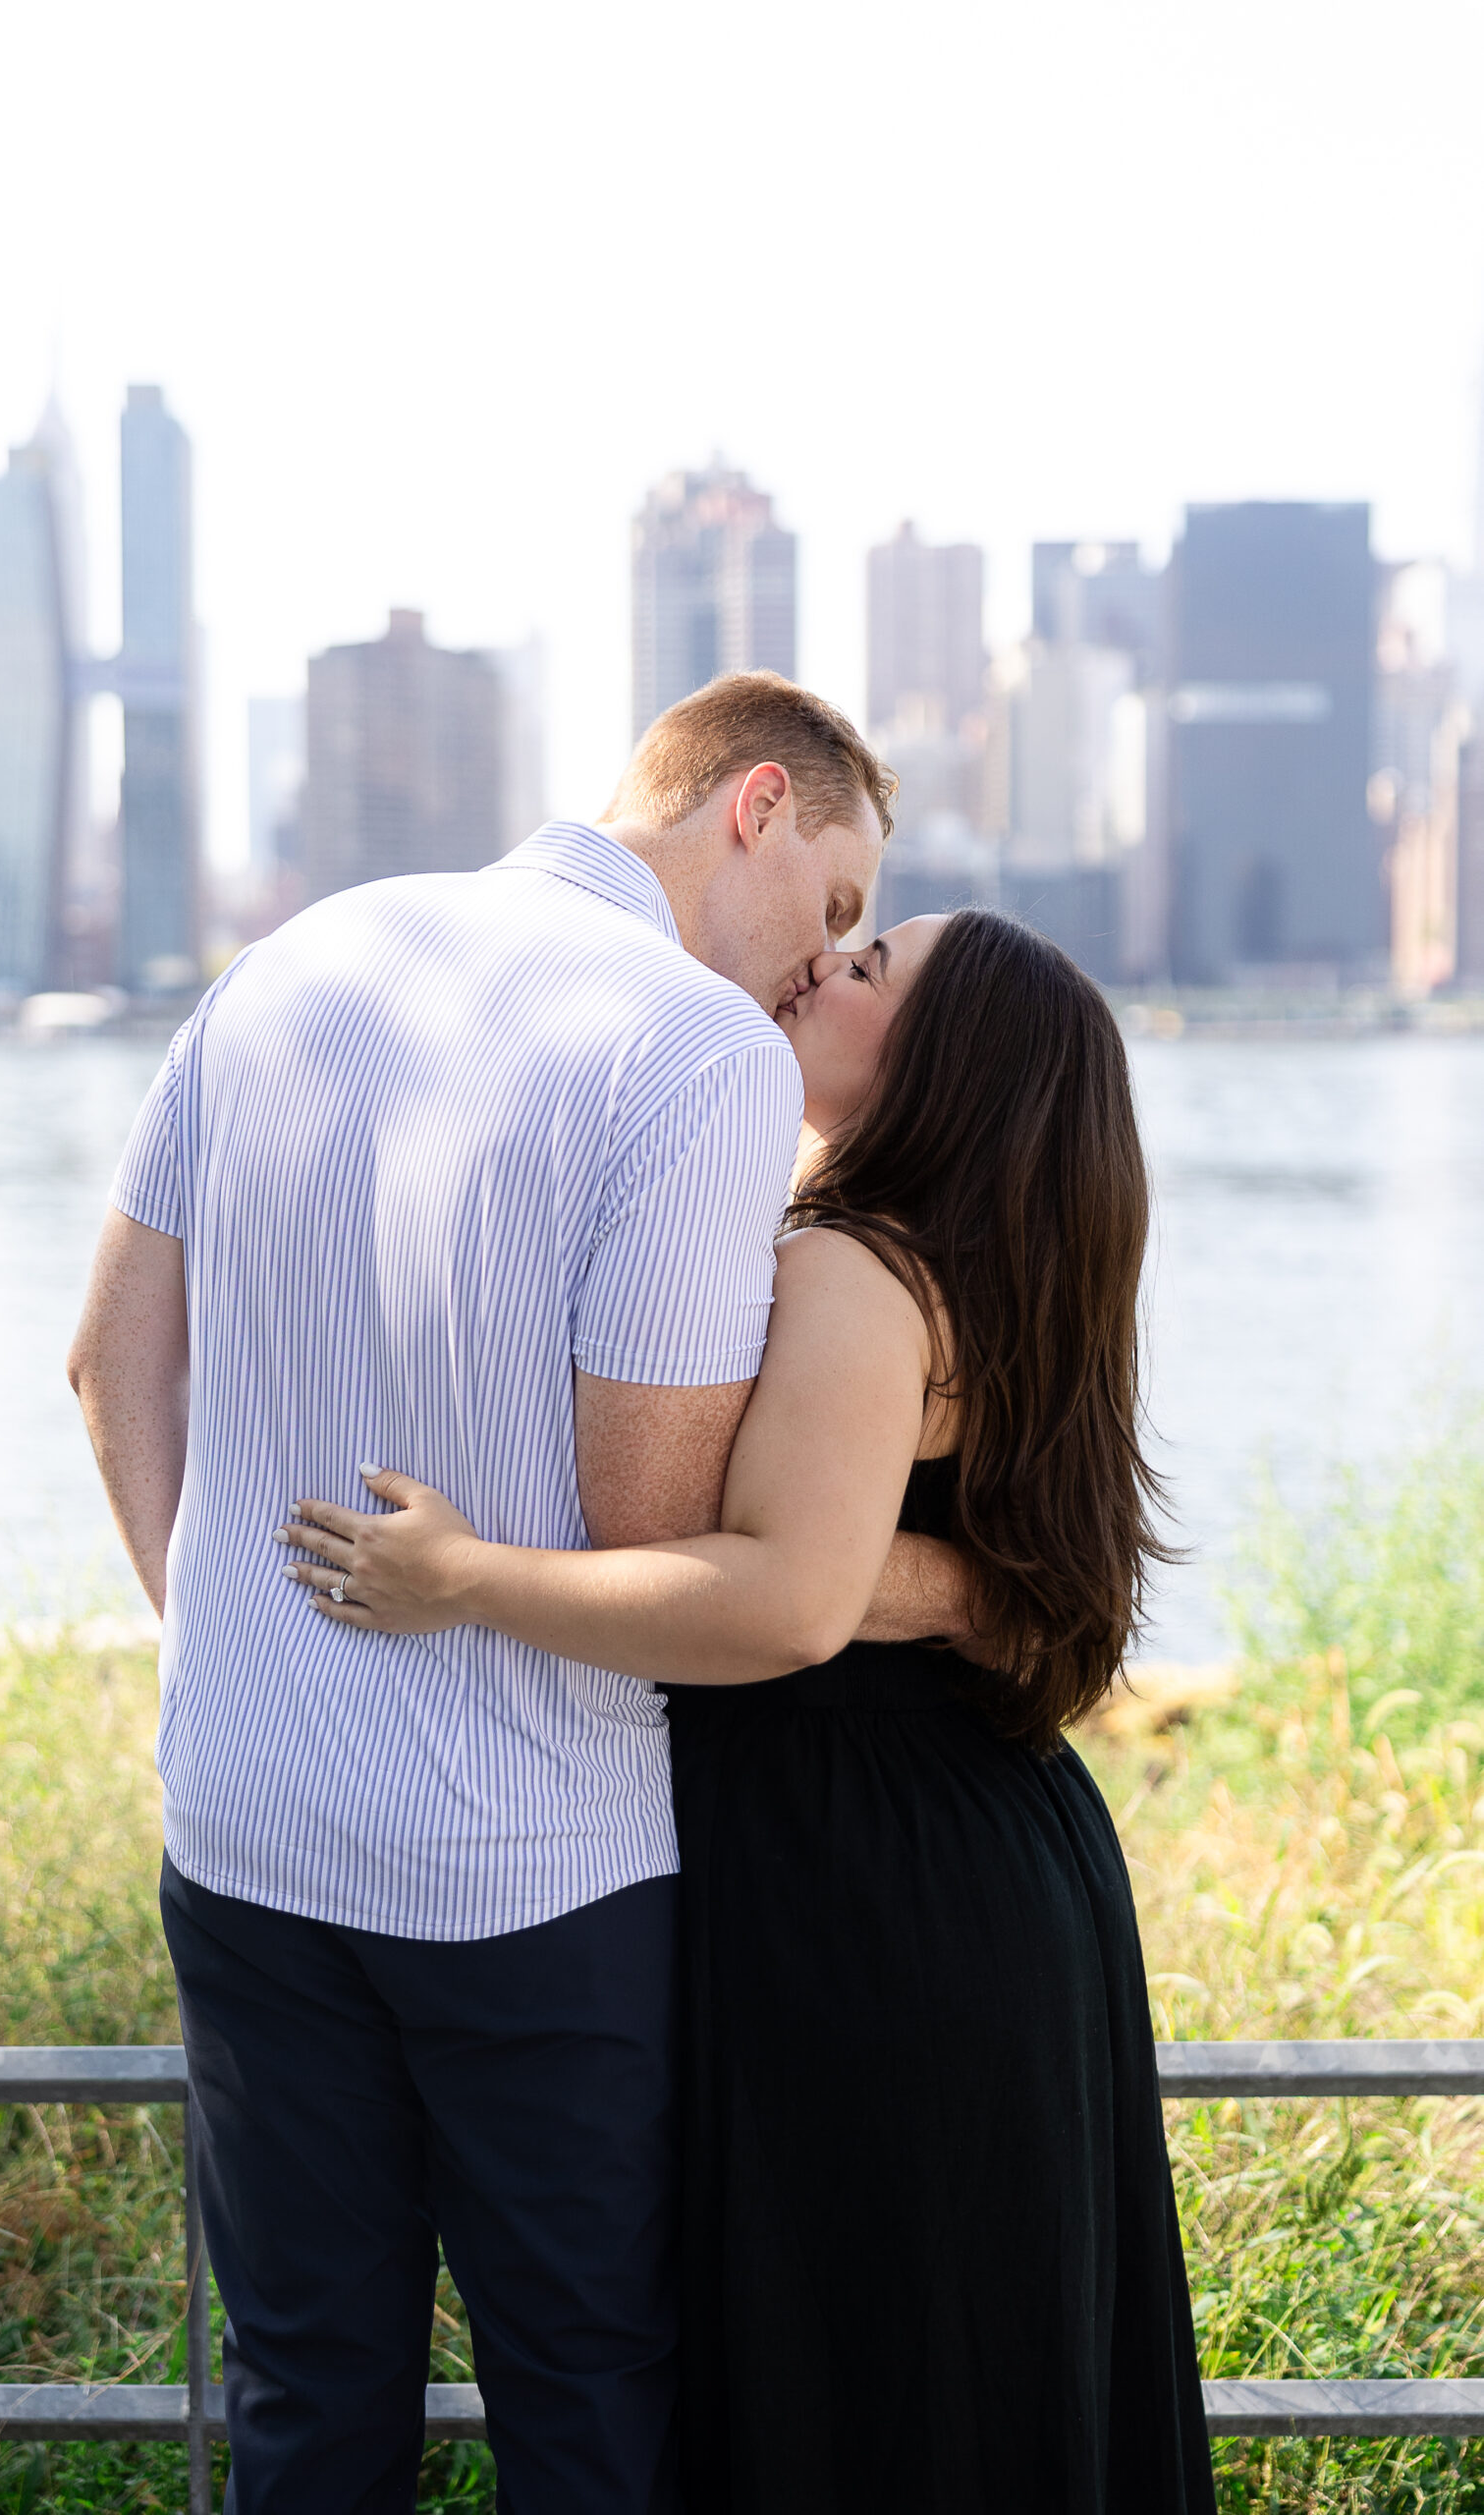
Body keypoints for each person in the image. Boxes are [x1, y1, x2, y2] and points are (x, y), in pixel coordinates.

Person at [67, 672, 981, 2515]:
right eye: (833, 904)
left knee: (304, 2392)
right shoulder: (698, 1050)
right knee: (585, 2392)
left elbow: (106, 1360)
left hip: (239, 1822)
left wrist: (226, 1651)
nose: (821, 963)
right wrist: (963, 1579)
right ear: (753, 805)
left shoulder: (295, 958)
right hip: (529, 1860)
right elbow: (656, 1523)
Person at [279, 908, 1218, 2514]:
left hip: (855, 1868)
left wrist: (466, 1576)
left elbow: (786, 1603)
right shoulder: (1001, 1260)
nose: (824, 967)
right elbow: (1032, 1576)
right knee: (970, 2363)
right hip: (992, 1848)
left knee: (849, 2365)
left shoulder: (852, 1264)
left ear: (946, 1061)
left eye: (872, 968)